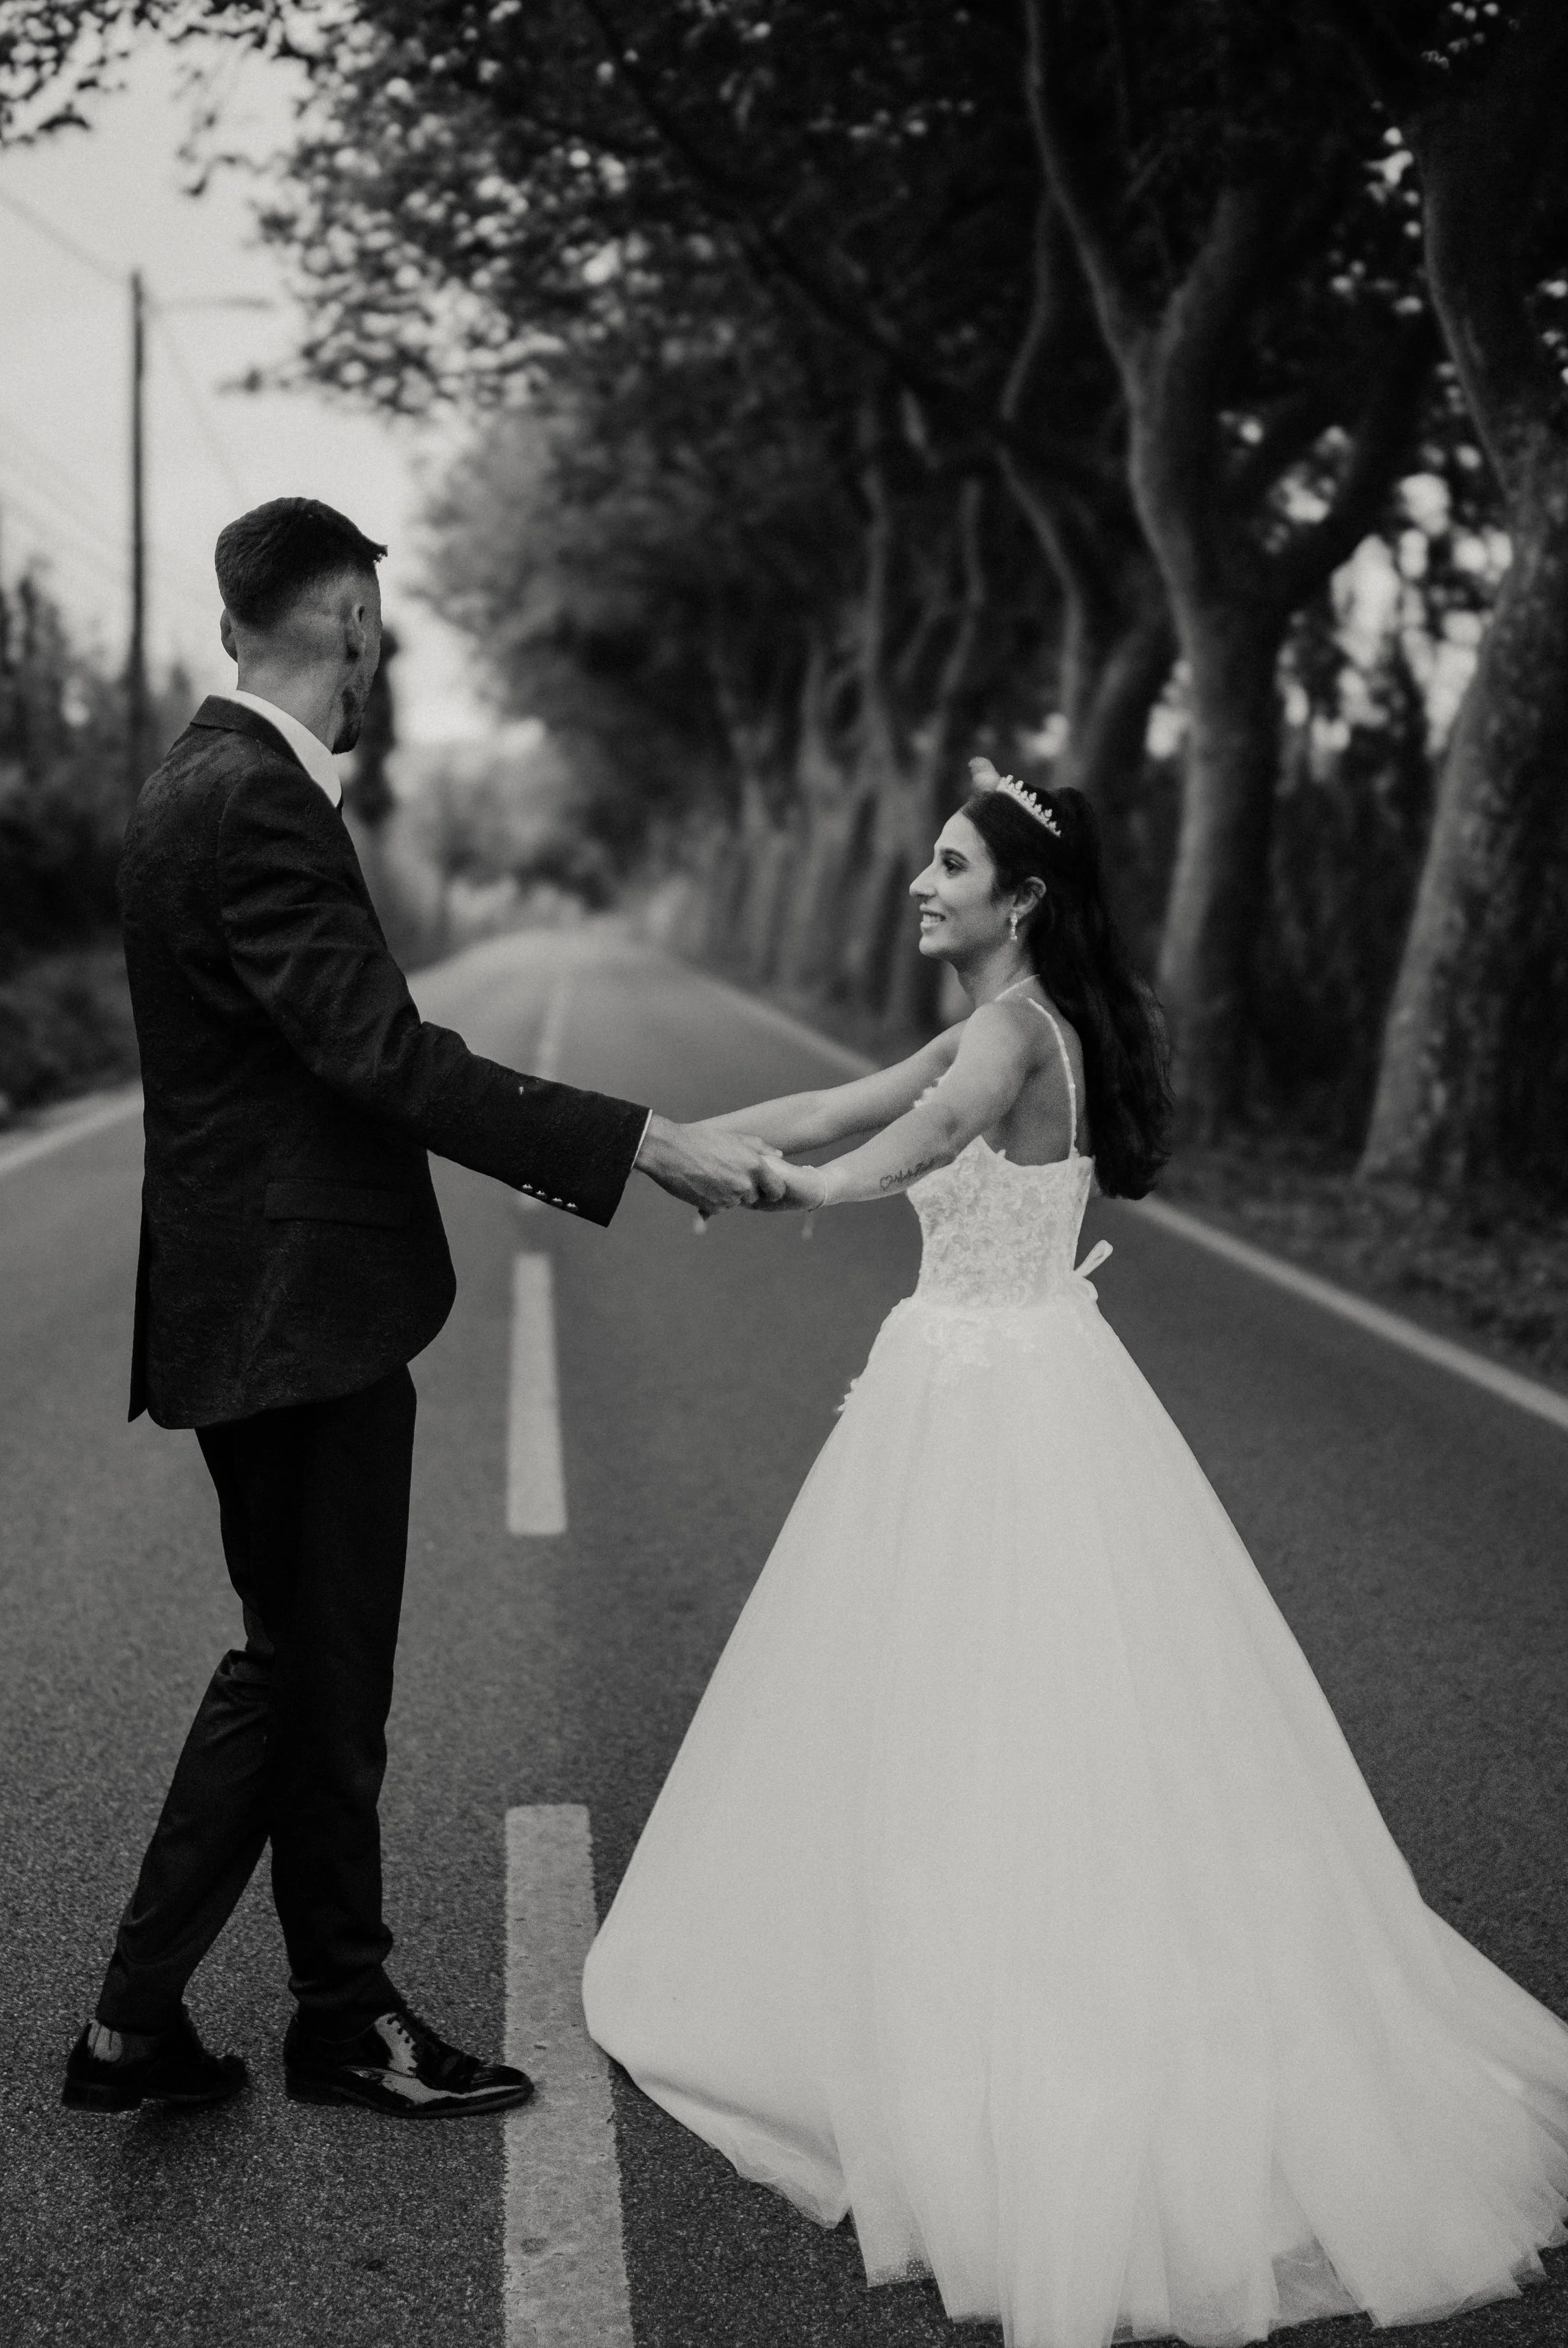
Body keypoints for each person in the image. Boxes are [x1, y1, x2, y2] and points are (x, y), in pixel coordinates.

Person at [583, 763, 1568, 2348]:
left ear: (1021, 897)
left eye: (950, 863)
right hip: (1024, 1370)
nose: (920, 881)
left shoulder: (1006, 1038)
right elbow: (836, 1104)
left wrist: (783, 1190)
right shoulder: (1021, 1019)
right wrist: (659, 1139)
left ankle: (1006, 2015)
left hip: (987, 1392)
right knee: (1016, 1700)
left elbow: (890, 1149)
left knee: (988, 1697)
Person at [61, 497, 783, 2122]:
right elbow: (380, 1056)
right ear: (352, 627)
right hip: (296, 1315)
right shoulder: (256, 801)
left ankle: (187, 2025)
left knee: (297, 1669)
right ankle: (292, 2019)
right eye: (376, 628)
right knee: (315, 1679)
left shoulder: (187, 784)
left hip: (253, 1304)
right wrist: (638, 1141)